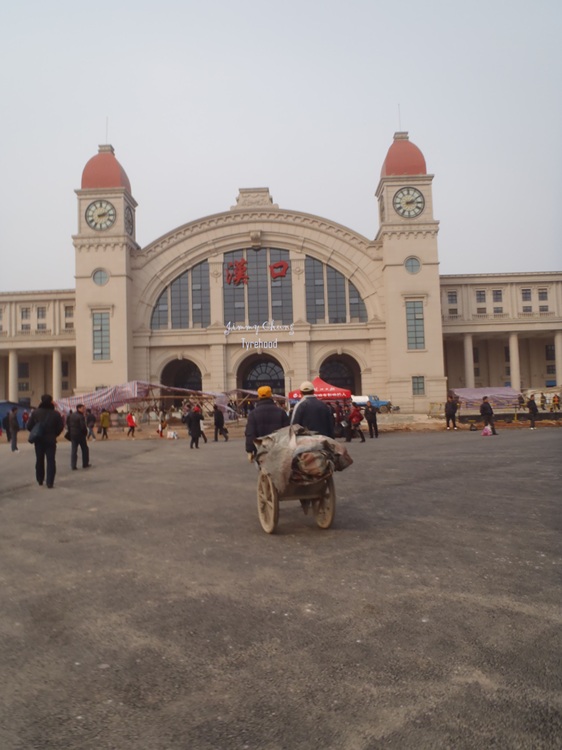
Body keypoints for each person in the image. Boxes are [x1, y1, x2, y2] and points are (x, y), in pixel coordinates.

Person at [26, 394, 64, 488]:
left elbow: (29, 426)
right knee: (51, 460)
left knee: (39, 459)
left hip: (39, 440)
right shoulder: (56, 414)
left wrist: (36, 431)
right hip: (51, 439)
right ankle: (50, 482)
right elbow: (60, 427)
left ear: (41, 401)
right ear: (51, 401)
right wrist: (54, 434)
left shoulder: (35, 413)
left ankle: (40, 479)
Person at [245, 385, 290, 458]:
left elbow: (250, 433)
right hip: (278, 449)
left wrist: (249, 450)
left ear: (259, 396)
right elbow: (287, 431)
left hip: (261, 450)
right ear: (271, 395)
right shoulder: (281, 412)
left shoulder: (253, 414)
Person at [68, 403, 90, 469]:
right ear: (78, 408)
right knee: (85, 449)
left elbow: (68, 424)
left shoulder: (71, 415)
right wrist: (85, 433)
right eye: (83, 408)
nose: (84, 410)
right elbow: (83, 426)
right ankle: (85, 463)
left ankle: (73, 465)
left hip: (73, 434)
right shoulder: (81, 416)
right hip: (80, 435)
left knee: (74, 450)